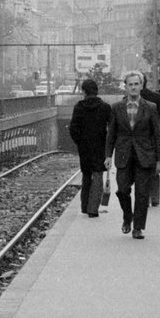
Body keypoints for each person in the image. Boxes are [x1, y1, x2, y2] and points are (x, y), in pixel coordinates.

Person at [107, 70, 160, 240]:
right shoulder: (117, 108)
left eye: (136, 84)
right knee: (122, 189)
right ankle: (128, 216)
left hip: (145, 155)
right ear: (125, 87)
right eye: (130, 84)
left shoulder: (150, 107)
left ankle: (138, 227)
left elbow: (157, 134)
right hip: (124, 155)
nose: (133, 87)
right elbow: (111, 134)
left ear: (141, 86)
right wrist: (107, 156)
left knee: (142, 193)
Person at [69, 79, 111, 217]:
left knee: (86, 175)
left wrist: (79, 142)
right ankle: (93, 209)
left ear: (84, 91)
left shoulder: (79, 107)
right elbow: (112, 128)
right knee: (98, 175)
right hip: (100, 146)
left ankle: (85, 206)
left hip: (84, 147)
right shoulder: (105, 107)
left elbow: (73, 128)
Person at [140, 74, 160, 206]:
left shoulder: (128, 98)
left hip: (139, 139)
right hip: (154, 137)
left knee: (141, 169)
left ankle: (144, 198)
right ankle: (155, 197)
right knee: (155, 167)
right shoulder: (156, 97)